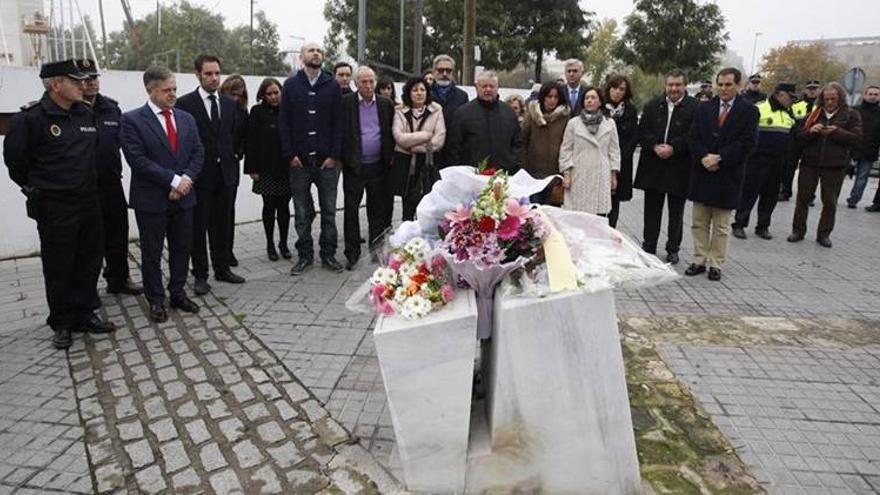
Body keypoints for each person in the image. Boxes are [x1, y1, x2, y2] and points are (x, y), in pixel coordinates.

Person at [3, 59, 116, 349]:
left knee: (89, 260)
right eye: (75, 80)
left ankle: (84, 312)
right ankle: (62, 322)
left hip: (89, 201)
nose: (83, 84)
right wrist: (39, 188)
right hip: (56, 206)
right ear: (55, 85)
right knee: (59, 265)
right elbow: (16, 163)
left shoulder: (84, 113)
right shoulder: (30, 119)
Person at [121, 65, 204, 323]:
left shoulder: (186, 118)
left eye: (174, 89)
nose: (172, 94)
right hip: (152, 200)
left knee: (182, 248)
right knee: (152, 252)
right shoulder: (132, 120)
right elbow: (138, 160)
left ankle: (177, 292)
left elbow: (198, 152)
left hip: (185, 197)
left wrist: (186, 180)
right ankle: (156, 299)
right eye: (166, 90)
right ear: (150, 90)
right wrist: (174, 181)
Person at [175, 55, 245, 295]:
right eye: (208, 74)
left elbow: (235, 135)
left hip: (225, 175)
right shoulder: (185, 104)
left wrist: (235, 156)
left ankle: (222, 268)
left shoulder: (228, 104)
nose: (214, 78)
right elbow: (182, 142)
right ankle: (200, 275)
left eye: (217, 73)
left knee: (223, 226)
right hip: (199, 178)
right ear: (198, 75)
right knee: (199, 228)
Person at [686, 67, 759, 281]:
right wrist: (704, 157)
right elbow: (693, 137)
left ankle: (716, 263)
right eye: (720, 84)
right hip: (703, 171)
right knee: (699, 222)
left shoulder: (749, 111)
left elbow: (747, 143)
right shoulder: (704, 108)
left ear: (738, 85)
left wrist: (719, 158)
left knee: (721, 225)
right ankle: (699, 259)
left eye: (728, 84)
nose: (724, 88)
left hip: (727, 174)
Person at [76, 58, 142, 295]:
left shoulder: (111, 109)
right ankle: (87, 290)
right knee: (88, 242)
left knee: (117, 235)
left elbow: (125, 144)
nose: (91, 83)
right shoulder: (71, 110)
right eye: (85, 79)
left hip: (111, 184)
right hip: (82, 189)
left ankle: (118, 279)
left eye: (94, 77)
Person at [279, 42, 344, 275]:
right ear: (301, 58)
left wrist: (334, 155)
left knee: (329, 211)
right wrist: (290, 155)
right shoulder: (290, 85)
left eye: (319, 51)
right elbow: (283, 123)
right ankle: (305, 255)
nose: (316, 53)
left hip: (327, 163)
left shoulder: (332, 85)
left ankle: (328, 255)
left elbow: (339, 123)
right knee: (302, 212)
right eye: (311, 50)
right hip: (299, 163)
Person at [632, 69, 698, 265]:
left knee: (676, 212)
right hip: (654, 165)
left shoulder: (695, 108)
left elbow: (694, 135)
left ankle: (673, 248)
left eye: (678, 85)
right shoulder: (653, 105)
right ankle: (649, 244)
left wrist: (673, 147)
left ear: (685, 86)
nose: (673, 89)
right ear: (665, 85)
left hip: (679, 166)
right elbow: (643, 131)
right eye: (670, 85)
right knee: (651, 209)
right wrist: (654, 146)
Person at [788, 82, 862, 248]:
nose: (829, 102)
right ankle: (798, 230)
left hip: (835, 164)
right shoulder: (814, 114)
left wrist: (837, 132)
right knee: (802, 198)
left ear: (840, 98)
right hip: (810, 162)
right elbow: (799, 137)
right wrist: (811, 131)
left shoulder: (850, 115)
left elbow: (857, 139)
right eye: (826, 99)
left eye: (833, 99)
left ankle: (824, 234)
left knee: (830, 201)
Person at [341, 66, 395, 270]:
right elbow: (341, 131)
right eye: (363, 81)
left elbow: (389, 132)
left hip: (378, 166)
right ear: (356, 84)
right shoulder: (345, 103)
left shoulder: (385, 104)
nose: (368, 85)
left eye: (371, 81)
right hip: (354, 167)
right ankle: (352, 253)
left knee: (377, 211)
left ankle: (376, 249)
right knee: (351, 210)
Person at [731, 82, 797, 240]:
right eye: (790, 97)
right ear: (780, 95)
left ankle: (763, 226)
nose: (792, 101)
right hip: (757, 160)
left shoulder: (788, 112)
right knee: (749, 193)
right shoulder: (759, 108)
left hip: (778, 161)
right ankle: (739, 224)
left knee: (770, 195)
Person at [244, 78, 292, 262]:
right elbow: (251, 141)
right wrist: (252, 168)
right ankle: (270, 244)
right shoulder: (257, 112)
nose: (273, 97)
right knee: (269, 207)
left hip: (286, 168)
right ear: (263, 95)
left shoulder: (288, 110)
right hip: (265, 169)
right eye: (269, 94)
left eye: (276, 92)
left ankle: (284, 243)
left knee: (284, 208)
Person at [558, 87, 620, 215]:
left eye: (593, 98)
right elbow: (566, 150)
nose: (589, 101)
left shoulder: (609, 123)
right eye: (587, 98)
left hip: (601, 174)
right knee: (577, 216)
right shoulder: (573, 123)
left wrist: (613, 174)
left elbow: (614, 150)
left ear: (600, 102)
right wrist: (566, 174)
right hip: (578, 173)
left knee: (598, 217)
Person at [392, 76, 447, 220]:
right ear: (408, 93)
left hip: (427, 164)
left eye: (422, 89)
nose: (419, 93)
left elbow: (439, 139)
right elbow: (399, 138)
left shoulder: (436, 110)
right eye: (415, 90)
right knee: (407, 210)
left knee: (427, 210)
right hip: (406, 166)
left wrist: (417, 147)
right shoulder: (399, 111)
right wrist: (426, 135)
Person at [446, 70, 523, 173]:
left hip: (502, 175)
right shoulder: (463, 113)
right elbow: (454, 148)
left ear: (497, 88)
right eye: (484, 86)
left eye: (492, 86)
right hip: (472, 176)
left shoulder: (509, 113)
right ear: (477, 87)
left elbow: (517, 144)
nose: (488, 89)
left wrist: (511, 163)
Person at [521, 81, 570, 205]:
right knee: (534, 213)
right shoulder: (532, 115)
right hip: (533, 174)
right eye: (549, 96)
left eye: (556, 97)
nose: (552, 100)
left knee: (552, 215)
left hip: (555, 175)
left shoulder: (566, 117)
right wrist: (523, 167)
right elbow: (522, 142)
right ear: (543, 97)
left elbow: (569, 145)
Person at [218, 73, 249, 267]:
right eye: (232, 94)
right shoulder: (218, 108)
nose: (235, 98)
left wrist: (239, 153)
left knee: (229, 211)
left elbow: (244, 137)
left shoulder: (242, 112)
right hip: (215, 165)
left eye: (239, 95)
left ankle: (227, 251)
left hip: (232, 165)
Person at [604, 74, 638, 228]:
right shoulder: (600, 107)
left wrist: (618, 159)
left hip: (620, 163)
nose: (617, 92)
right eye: (614, 88)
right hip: (600, 161)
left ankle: (612, 231)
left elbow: (633, 138)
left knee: (614, 201)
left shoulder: (630, 111)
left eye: (621, 89)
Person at [780, 79, 821, 201]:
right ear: (805, 90)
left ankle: (809, 195)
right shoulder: (796, 105)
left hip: (813, 141)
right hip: (796, 139)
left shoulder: (821, 107)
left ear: (819, 90)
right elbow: (791, 121)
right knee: (788, 167)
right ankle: (786, 191)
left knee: (810, 171)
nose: (812, 91)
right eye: (810, 89)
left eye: (815, 89)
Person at [430, 54, 469, 166]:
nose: (445, 74)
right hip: (430, 152)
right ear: (434, 72)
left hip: (454, 153)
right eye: (441, 70)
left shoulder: (462, 96)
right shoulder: (425, 93)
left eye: (448, 70)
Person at [846, 85, 880, 208]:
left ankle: (853, 200)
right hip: (851, 148)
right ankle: (832, 195)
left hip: (869, 151)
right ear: (865, 95)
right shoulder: (854, 110)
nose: (873, 96)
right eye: (870, 94)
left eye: (876, 94)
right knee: (840, 173)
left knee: (862, 178)